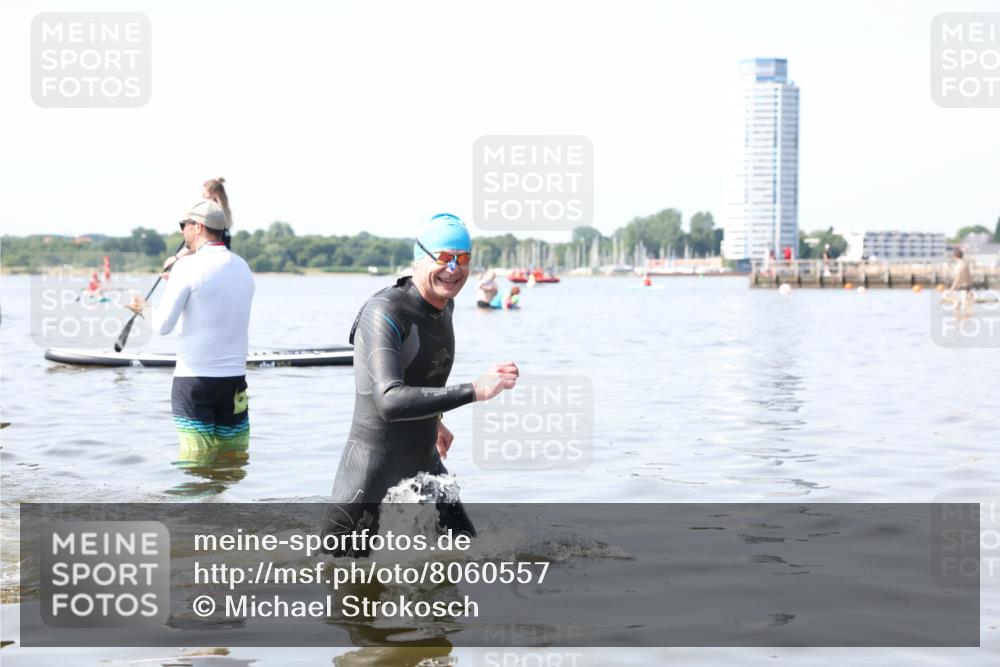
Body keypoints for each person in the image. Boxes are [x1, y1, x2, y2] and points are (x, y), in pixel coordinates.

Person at [323, 213, 519, 555]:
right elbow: (389, 399)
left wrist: (437, 418)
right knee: (343, 583)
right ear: (420, 258)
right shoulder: (384, 311)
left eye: (463, 259)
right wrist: (474, 389)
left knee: (470, 557)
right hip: (370, 474)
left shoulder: (445, 306)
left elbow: (421, 374)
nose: (454, 269)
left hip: (424, 462)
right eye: (443, 258)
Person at [127, 199, 255, 467]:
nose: (182, 231)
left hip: (194, 382)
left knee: (196, 466)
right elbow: (214, 302)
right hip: (233, 384)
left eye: (183, 225)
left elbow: (163, 325)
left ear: (197, 227)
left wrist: (143, 307)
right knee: (232, 462)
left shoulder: (186, 267)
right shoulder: (243, 267)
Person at [949, 248, 974, 318]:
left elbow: (957, 279)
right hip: (966, 287)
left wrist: (951, 290)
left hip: (962, 288)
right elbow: (970, 276)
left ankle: (966, 321)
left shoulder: (960, 266)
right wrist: (970, 288)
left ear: (955, 256)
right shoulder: (966, 263)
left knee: (965, 306)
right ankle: (960, 322)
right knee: (956, 306)